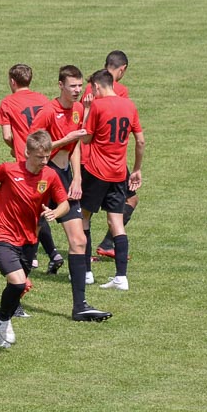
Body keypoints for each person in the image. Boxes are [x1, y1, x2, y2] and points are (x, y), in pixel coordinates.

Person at [0, 131, 91, 349]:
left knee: (18, 286)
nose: (44, 161)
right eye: (39, 157)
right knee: (18, 281)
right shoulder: (8, 170)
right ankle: (3, 321)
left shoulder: (49, 176)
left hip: (29, 239)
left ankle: (1, 322)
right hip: (2, 234)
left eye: (47, 156)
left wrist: (55, 213)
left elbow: (64, 203)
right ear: (26, 153)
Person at [29, 65, 112, 317]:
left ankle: (80, 306)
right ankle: (15, 299)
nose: (77, 90)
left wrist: (76, 178)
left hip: (66, 178)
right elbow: (32, 147)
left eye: (79, 86)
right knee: (26, 238)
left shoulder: (78, 110)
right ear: (60, 86)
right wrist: (65, 140)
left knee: (79, 240)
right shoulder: (47, 111)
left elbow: (75, 146)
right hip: (42, 176)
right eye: (72, 86)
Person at [81, 69, 145, 291]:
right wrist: (136, 169)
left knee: (84, 219)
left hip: (97, 171)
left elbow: (86, 138)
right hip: (119, 173)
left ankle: (87, 273)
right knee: (116, 222)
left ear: (97, 87)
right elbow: (140, 141)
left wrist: (87, 110)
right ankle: (121, 277)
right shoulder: (130, 105)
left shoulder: (97, 106)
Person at [0, 63, 62, 272]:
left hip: (24, 163)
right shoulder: (43, 100)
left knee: (29, 211)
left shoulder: (8, 102)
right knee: (37, 207)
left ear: (12, 81)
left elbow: (7, 135)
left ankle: (48, 252)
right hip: (44, 159)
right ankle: (35, 255)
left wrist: (15, 147)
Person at [81, 51, 137, 259]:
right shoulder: (119, 91)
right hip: (108, 160)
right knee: (128, 202)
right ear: (122, 69)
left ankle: (92, 253)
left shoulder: (88, 86)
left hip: (85, 155)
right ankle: (106, 244)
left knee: (85, 210)